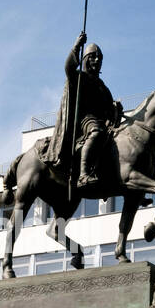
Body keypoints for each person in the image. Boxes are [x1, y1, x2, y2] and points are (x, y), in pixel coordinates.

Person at [43, 31, 123, 190]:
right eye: (93, 56)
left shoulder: (103, 87)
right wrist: (77, 46)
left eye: (99, 57)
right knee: (97, 132)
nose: (97, 60)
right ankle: (83, 174)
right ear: (86, 59)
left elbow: (109, 110)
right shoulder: (80, 78)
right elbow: (69, 68)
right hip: (84, 121)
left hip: (102, 123)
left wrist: (116, 110)